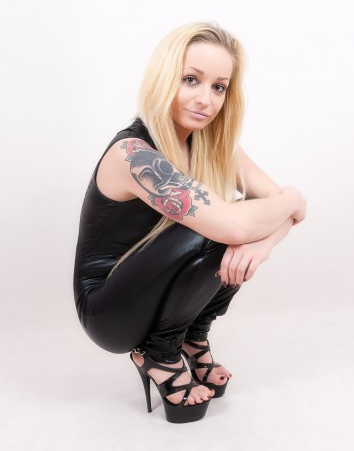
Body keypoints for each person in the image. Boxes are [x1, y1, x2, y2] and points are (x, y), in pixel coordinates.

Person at [73, 22, 306, 423]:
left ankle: (192, 336)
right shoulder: (133, 153)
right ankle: (159, 353)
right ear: (164, 78)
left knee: (236, 222)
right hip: (107, 310)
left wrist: (262, 244)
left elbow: (270, 212)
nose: (205, 99)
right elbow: (254, 218)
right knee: (219, 225)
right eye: (191, 80)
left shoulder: (212, 144)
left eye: (219, 87)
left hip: (153, 289)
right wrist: (294, 199)